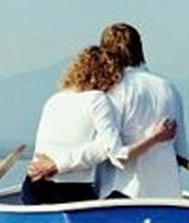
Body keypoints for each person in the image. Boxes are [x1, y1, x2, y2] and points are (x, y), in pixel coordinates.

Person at [23, 45, 176, 205]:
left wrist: (56, 163)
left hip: (34, 185)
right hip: (69, 191)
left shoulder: (54, 100)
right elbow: (115, 153)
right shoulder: (96, 99)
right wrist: (155, 137)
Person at [96, 22, 188, 199]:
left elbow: (109, 151)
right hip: (166, 193)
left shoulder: (113, 90)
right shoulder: (169, 88)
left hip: (121, 191)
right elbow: (180, 151)